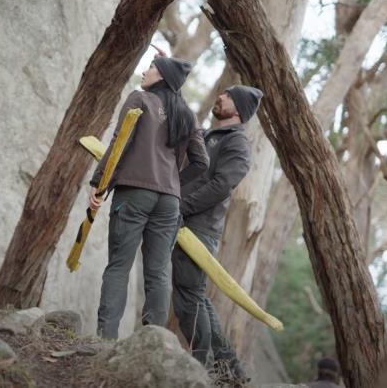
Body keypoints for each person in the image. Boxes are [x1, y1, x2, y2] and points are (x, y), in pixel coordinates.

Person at [90, 54, 208, 340]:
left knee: (119, 265)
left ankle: (106, 340)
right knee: (158, 273)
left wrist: (99, 184)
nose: (144, 71)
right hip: (169, 201)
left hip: (134, 193)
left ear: (163, 77)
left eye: (152, 68)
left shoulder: (139, 99)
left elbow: (120, 142)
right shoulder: (186, 114)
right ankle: (154, 343)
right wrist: (172, 183)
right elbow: (201, 162)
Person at [171, 84, 264, 380]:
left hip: (198, 227)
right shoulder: (215, 136)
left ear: (238, 109)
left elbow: (222, 185)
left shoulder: (237, 143)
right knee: (195, 295)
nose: (219, 96)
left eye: (227, 95)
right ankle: (230, 371)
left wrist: (182, 207)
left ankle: (204, 370)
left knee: (189, 299)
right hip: (186, 222)